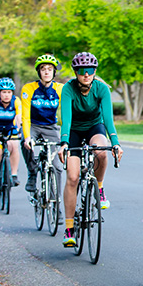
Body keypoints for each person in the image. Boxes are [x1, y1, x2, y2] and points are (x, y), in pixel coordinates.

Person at [57, 52, 123, 248]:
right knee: (72, 177)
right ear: (76, 72)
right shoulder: (68, 89)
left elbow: (108, 119)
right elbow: (66, 119)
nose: (86, 75)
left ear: (95, 72)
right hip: (74, 130)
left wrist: (116, 142)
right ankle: (69, 229)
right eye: (82, 71)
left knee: (101, 152)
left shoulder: (102, 89)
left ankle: (99, 189)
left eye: (90, 71)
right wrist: (64, 142)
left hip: (95, 127)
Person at [21, 54, 64, 220]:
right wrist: (27, 137)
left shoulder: (60, 89)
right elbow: (25, 116)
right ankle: (32, 173)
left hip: (51, 127)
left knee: (57, 166)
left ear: (54, 73)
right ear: (39, 72)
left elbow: (66, 112)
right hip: (33, 125)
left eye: (50, 70)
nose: (46, 72)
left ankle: (57, 204)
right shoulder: (29, 88)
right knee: (24, 142)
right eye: (43, 69)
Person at [0, 77, 23, 197]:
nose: (6, 95)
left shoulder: (16, 101)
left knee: (14, 145)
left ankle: (13, 175)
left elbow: (18, 117)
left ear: (12, 93)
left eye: (9, 92)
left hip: (10, 130)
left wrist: (19, 129)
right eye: (4, 92)